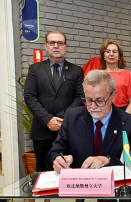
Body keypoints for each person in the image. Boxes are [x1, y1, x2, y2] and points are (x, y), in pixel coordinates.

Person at [46, 70, 131, 173]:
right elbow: (54, 153)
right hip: (80, 185)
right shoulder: (72, 117)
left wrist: (108, 160)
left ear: (113, 96)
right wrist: (57, 161)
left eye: (100, 100)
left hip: (114, 186)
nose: (93, 107)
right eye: (88, 100)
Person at [24, 30, 84, 172]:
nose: (56, 46)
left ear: (65, 46)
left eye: (60, 43)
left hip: (68, 129)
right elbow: (29, 97)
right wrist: (48, 119)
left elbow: (80, 97)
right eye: (52, 42)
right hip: (42, 130)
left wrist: (62, 119)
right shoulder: (35, 69)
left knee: (71, 171)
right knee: (42, 172)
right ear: (46, 46)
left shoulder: (76, 71)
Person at [83, 39, 131, 114]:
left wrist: (125, 118)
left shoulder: (128, 74)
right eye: (108, 51)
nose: (111, 54)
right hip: (101, 113)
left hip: (122, 112)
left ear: (119, 56)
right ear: (103, 55)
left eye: (114, 51)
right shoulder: (98, 75)